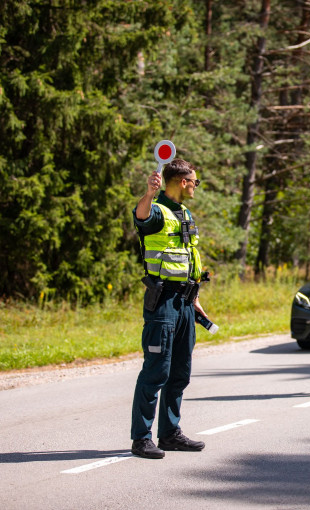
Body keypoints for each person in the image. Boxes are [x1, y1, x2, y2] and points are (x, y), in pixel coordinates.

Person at [130, 158, 210, 459]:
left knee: (180, 373)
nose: (196, 187)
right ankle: (141, 438)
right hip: (163, 303)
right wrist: (149, 192)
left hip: (186, 302)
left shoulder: (185, 213)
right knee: (156, 371)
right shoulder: (157, 210)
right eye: (195, 182)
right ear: (183, 182)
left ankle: (170, 433)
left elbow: (188, 258)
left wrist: (196, 298)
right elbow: (141, 217)